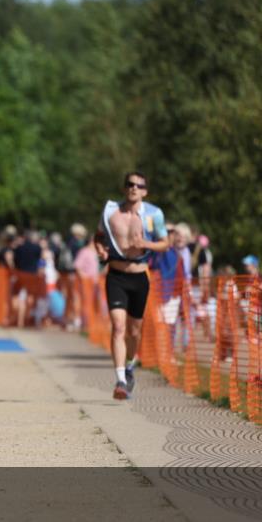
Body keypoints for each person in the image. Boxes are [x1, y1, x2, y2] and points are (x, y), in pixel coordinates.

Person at [95, 171, 169, 400]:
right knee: (118, 326)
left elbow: (165, 243)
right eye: (130, 184)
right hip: (116, 274)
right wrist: (100, 248)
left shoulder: (153, 214)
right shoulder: (110, 212)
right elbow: (98, 236)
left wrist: (144, 243)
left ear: (145, 191)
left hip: (139, 276)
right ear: (124, 187)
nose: (134, 188)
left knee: (134, 330)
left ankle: (129, 365)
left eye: (139, 185)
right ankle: (119, 381)